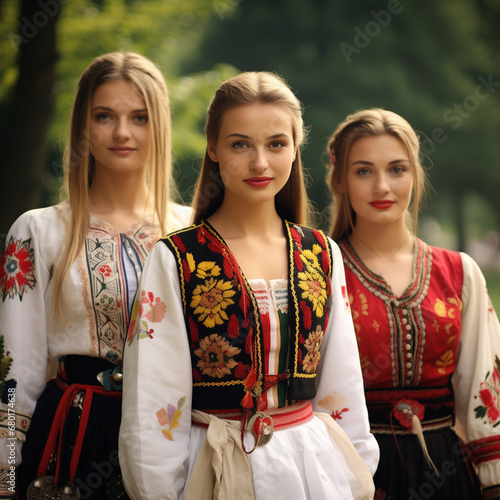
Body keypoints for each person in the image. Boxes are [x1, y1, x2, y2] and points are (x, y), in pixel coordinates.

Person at [119, 71, 379, 499]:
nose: (260, 162)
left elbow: (342, 383)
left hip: (314, 467)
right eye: (241, 144)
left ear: (296, 149)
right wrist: (160, 491)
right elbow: (153, 397)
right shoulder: (176, 258)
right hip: (216, 465)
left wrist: (355, 471)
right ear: (213, 148)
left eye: (276, 144)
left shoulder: (320, 253)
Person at [0, 51, 192, 499]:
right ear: (83, 127)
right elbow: (16, 370)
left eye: (140, 117)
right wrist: (5, 480)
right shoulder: (39, 230)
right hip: (72, 435)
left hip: (172, 431)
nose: (122, 132)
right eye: (104, 116)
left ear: (160, 125)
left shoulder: (196, 231)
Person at [326, 107, 500, 499]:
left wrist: (494, 479)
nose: (382, 187)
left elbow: (483, 387)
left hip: (448, 470)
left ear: (415, 175)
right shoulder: (320, 271)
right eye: (364, 171)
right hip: (352, 472)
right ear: (340, 180)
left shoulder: (460, 272)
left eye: (397, 169)